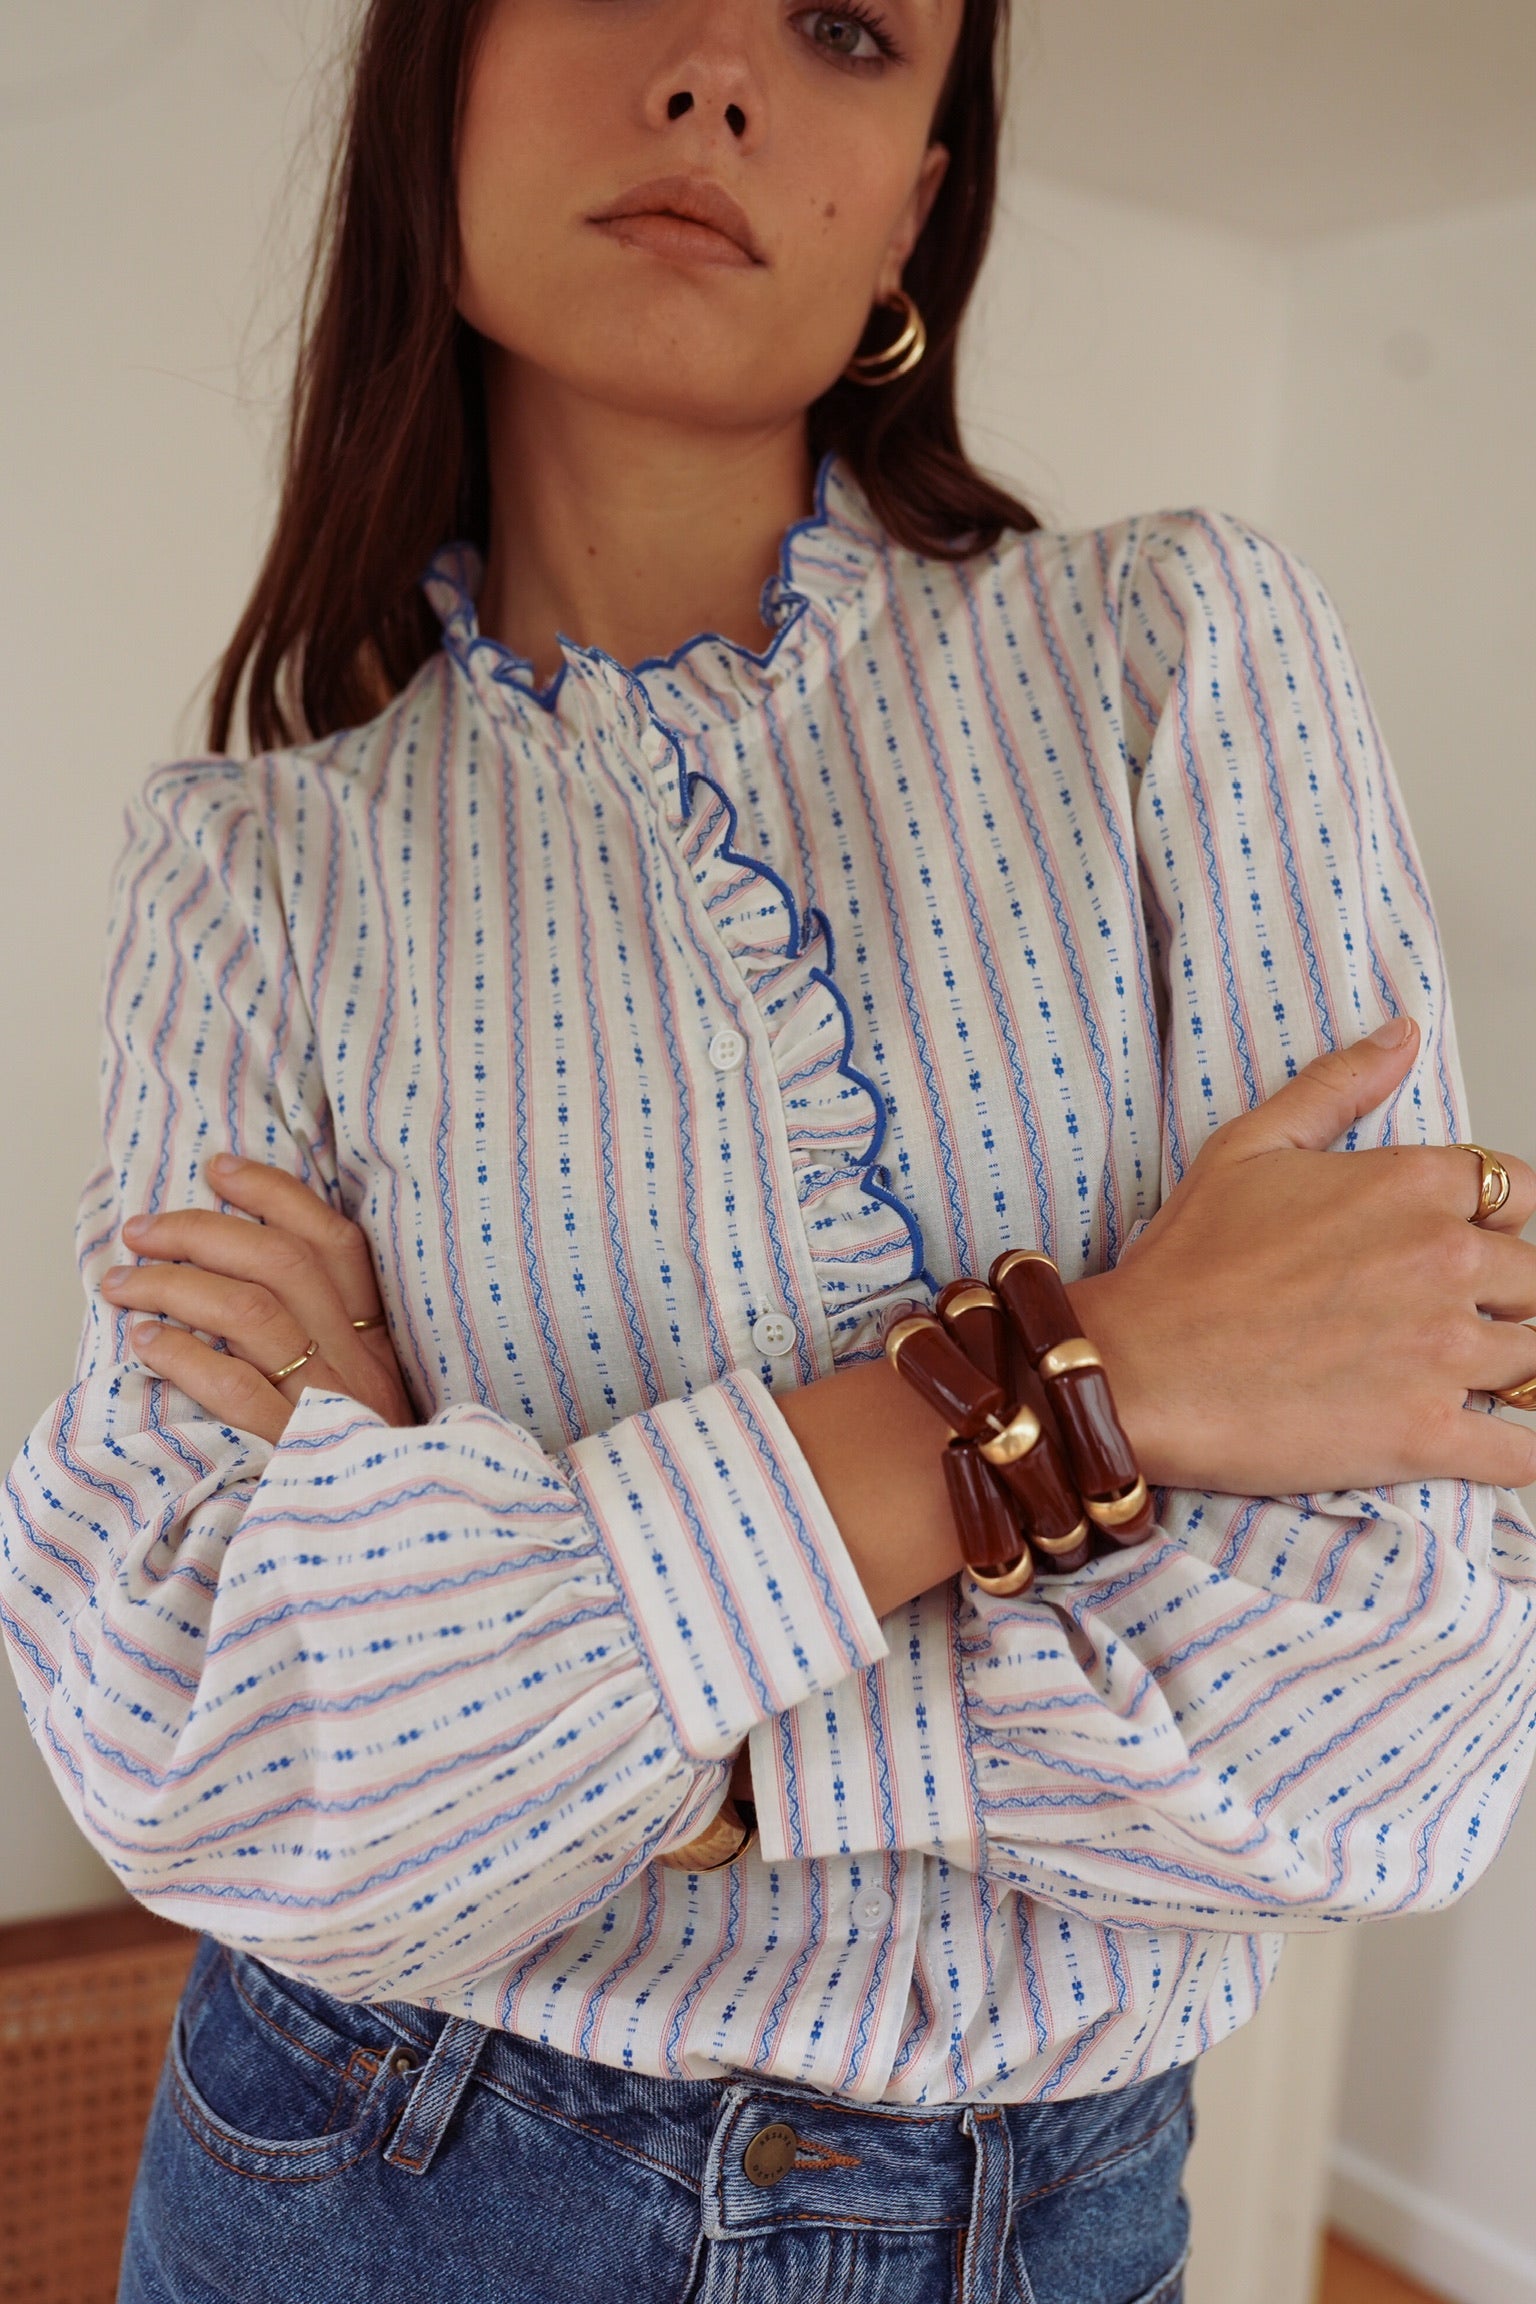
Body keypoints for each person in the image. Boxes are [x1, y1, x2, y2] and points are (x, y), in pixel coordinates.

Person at [4, 2, 1535, 2298]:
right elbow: (209, 1745)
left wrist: (573, 1677)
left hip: (1058, 2222)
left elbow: (1404, 1722)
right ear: (439, 66)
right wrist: (1102, 1373)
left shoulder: (1180, 655)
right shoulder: (257, 865)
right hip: (395, 2183)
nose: (718, 72)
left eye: (845, 27)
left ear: (915, 198)